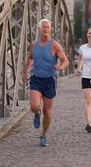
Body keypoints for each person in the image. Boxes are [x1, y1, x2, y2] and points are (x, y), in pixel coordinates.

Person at [22, 19, 69, 147]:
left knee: (47, 111)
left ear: (50, 29)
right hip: (36, 79)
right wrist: (26, 72)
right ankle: (36, 114)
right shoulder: (34, 45)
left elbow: (65, 60)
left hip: (49, 80)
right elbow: (31, 58)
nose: (46, 29)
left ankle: (43, 135)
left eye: (48, 27)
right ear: (39, 29)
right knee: (34, 106)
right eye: (44, 27)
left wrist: (61, 67)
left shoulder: (55, 45)